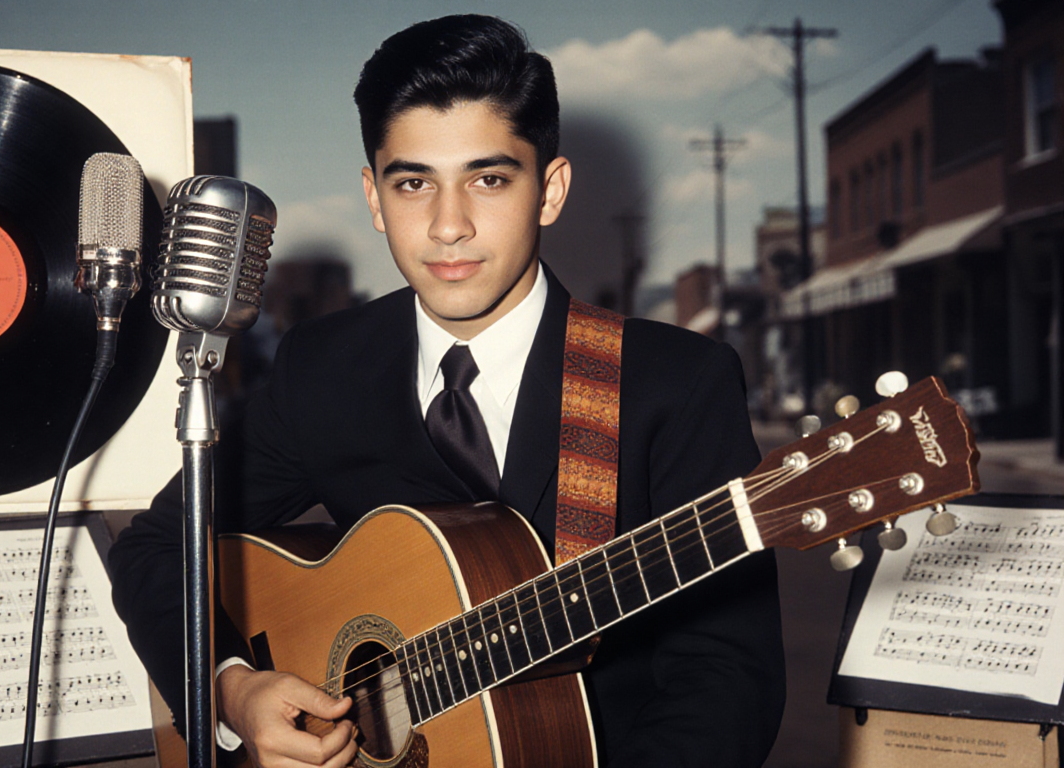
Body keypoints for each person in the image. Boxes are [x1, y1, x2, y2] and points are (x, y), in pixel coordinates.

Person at [109, 14, 786, 768]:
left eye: (489, 179)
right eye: (413, 183)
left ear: (550, 190)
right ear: (373, 198)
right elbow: (155, 548)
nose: (448, 225)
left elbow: (728, 679)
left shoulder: (673, 383)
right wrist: (233, 690)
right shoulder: (326, 369)